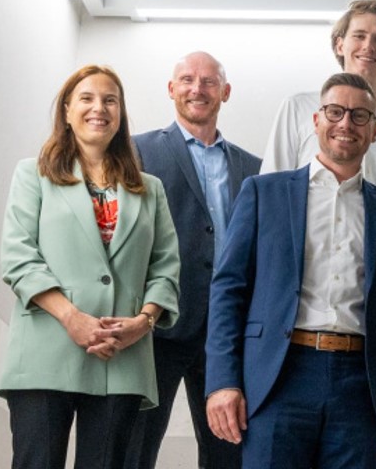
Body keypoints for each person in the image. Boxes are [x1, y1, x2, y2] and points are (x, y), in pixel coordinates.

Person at [205, 73, 376, 469]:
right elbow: (228, 291)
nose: (346, 123)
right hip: (277, 379)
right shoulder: (263, 192)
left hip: (359, 387)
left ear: (374, 131)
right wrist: (222, 382)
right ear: (316, 121)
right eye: (335, 112)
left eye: (360, 115)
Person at [0, 65, 180, 469]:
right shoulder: (33, 175)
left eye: (110, 100)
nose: (99, 108)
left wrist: (143, 322)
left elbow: (166, 268)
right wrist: (71, 317)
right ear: (66, 110)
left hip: (122, 355)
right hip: (46, 353)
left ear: (121, 114)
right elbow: (18, 256)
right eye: (87, 98)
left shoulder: (150, 189)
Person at [261, 0, 376, 338]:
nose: (368, 46)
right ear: (339, 44)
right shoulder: (298, 109)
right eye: (359, 35)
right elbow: (271, 205)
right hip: (302, 301)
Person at [125, 52, 261, 469]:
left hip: (228, 330)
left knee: (228, 450)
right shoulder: (137, 151)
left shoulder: (254, 168)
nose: (197, 89)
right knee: (135, 449)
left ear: (225, 92)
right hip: (158, 323)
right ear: (171, 89)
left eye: (208, 81)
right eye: (187, 80)